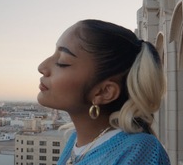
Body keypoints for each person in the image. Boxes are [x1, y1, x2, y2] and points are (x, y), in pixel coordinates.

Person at [37, 19, 170, 165]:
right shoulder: (76, 141)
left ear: (104, 92)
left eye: (62, 62)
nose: (42, 67)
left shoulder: (139, 151)